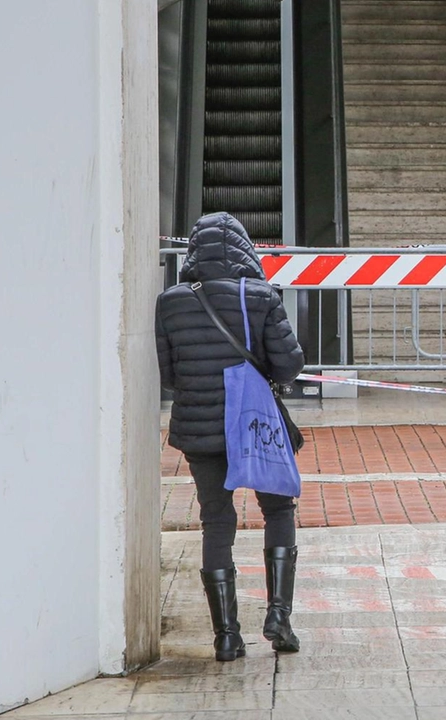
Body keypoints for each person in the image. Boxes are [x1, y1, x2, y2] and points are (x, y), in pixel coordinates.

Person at [155, 212, 305, 660]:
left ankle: (226, 636)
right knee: (278, 507)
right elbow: (290, 363)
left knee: (216, 521)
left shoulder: (171, 302)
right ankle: (279, 615)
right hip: (253, 424)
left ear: (193, 252)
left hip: (199, 428)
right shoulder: (260, 296)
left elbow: (168, 377)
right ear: (243, 249)